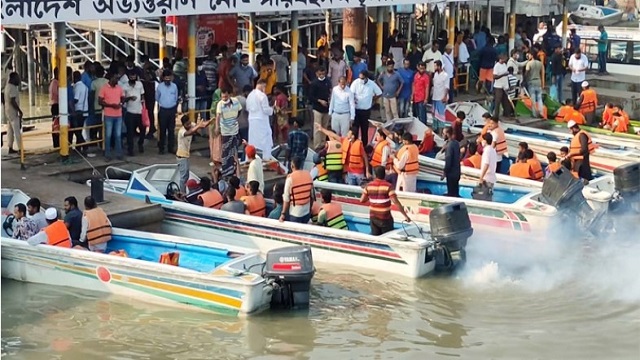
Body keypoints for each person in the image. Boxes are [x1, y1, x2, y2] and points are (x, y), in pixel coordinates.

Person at [360, 166, 411, 235]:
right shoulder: (388, 186)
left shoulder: (369, 186)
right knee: (388, 237)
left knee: (376, 239)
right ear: (384, 174)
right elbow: (396, 202)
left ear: (375, 175)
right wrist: (406, 216)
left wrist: (372, 195)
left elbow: (362, 200)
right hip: (385, 218)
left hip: (373, 217)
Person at [176, 116, 210, 193]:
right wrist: (198, 126)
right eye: (187, 124)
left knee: (186, 176)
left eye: (189, 123)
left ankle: (183, 192)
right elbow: (190, 132)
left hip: (186, 156)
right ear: (183, 124)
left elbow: (202, 125)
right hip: (181, 157)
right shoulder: (181, 131)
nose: (189, 125)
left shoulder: (192, 125)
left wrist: (210, 121)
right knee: (183, 177)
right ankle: (182, 193)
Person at [215, 88, 243, 178]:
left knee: (234, 153)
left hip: (234, 131)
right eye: (223, 97)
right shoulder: (220, 104)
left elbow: (239, 110)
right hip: (225, 133)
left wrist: (234, 119)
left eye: (226, 97)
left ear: (229, 95)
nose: (224, 99)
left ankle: (237, 174)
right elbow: (218, 116)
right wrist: (217, 127)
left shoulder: (236, 101)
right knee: (225, 154)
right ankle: (226, 173)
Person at [350, 70, 382, 146]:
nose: (361, 80)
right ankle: (354, 146)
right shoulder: (355, 82)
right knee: (355, 129)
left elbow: (379, 93)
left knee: (365, 129)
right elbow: (350, 94)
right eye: (360, 78)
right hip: (356, 110)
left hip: (366, 111)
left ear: (366, 78)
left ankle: (364, 146)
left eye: (362, 78)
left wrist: (373, 100)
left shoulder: (371, 84)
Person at [280, 156, 314, 223]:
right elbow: (312, 196)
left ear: (292, 165)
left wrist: (283, 214)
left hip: (295, 213)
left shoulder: (290, 179)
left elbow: (286, 199)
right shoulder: (308, 175)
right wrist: (309, 209)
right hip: (306, 212)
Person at [247, 79, 275, 160]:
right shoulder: (262, 96)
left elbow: (248, 108)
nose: (265, 88)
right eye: (265, 86)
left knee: (252, 141)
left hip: (252, 121)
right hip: (261, 121)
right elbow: (266, 110)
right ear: (262, 85)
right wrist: (272, 109)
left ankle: (249, 158)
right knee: (266, 140)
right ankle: (266, 159)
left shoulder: (250, 95)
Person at [155, 70, 179, 155]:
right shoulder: (159, 87)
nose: (168, 80)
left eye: (169, 78)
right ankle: (161, 148)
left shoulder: (174, 86)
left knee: (171, 130)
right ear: (163, 78)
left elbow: (176, 98)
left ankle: (171, 148)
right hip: (163, 110)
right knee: (162, 130)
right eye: (166, 78)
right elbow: (157, 98)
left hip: (172, 110)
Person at [308, 67, 332, 150]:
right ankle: (317, 146)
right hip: (317, 108)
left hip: (326, 108)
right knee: (317, 128)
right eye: (320, 73)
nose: (321, 75)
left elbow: (330, 92)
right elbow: (311, 97)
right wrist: (319, 101)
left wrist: (329, 100)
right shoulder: (314, 83)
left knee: (324, 128)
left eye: (323, 73)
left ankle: (323, 144)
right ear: (317, 73)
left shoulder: (328, 81)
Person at [122, 70, 145, 156]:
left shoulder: (139, 84)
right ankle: (130, 150)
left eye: (134, 76)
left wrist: (143, 103)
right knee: (130, 132)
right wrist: (129, 98)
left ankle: (140, 143)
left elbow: (142, 94)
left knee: (142, 129)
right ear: (128, 77)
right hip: (130, 112)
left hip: (139, 111)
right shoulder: (125, 86)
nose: (133, 78)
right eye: (131, 77)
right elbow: (123, 100)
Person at [4, 72, 23, 154]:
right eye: (17, 78)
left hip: (7, 111)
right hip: (13, 112)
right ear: (13, 79)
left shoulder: (7, 87)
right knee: (16, 130)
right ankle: (20, 149)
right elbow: (13, 101)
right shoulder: (12, 88)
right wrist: (19, 110)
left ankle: (10, 147)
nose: (18, 80)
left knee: (10, 130)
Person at [441, 127, 461, 197]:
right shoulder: (456, 143)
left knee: (451, 193)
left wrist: (445, 172)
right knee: (455, 192)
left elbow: (448, 160)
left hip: (451, 174)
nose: (442, 135)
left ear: (447, 134)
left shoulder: (449, 146)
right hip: (457, 172)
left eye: (443, 133)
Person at [71, 70, 88, 153]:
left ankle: (84, 144)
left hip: (79, 110)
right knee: (79, 129)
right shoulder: (85, 86)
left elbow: (76, 99)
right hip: (85, 110)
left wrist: (69, 102)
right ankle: (79, 147)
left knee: (76, 130)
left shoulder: (77, 87)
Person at [525, 51, 544, 118]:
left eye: (529, 55)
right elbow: (542, 73)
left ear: (532, 55)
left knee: (533, 99)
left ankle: (535, 114)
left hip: (531, 82)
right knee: (539, 99)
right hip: (538, 82)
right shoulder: (540, 63)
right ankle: (541, 112)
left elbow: (526, 73)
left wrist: (524, 81)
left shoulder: (529, 63)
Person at [493, 54, 513, 120]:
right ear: (501, 58)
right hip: (498, 86)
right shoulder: (497, 66)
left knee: (506, 101)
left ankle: (507, 114)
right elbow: (495, 77)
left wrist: (508, 84)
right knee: (498, 101)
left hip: (505, 86)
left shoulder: (505, 65)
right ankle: (496, 116)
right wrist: (503, 75)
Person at [432, 60, 449, 126]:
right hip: (435, 96)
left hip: (441, 97)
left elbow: (447, 87)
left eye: (435, 66)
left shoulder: (445, 75)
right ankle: (435, 128)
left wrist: (445, 97)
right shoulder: (435, 74)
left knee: (441, 115)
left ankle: (441, 129)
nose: (434, 68)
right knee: (434, 114)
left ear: (439, 66)